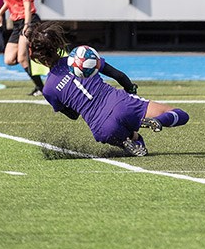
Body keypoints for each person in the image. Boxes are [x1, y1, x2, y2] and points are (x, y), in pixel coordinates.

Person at [27, 21, 190, 157]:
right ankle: (157, 122)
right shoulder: (82, 57)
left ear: (36, 56)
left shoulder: (48, 89)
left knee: (132, 139)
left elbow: (73, 115)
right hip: (121, 103)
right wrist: (131, 90)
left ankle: (129, 139)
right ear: (56, 45)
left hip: (101, 127)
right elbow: (118, 76)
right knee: (181, 114)